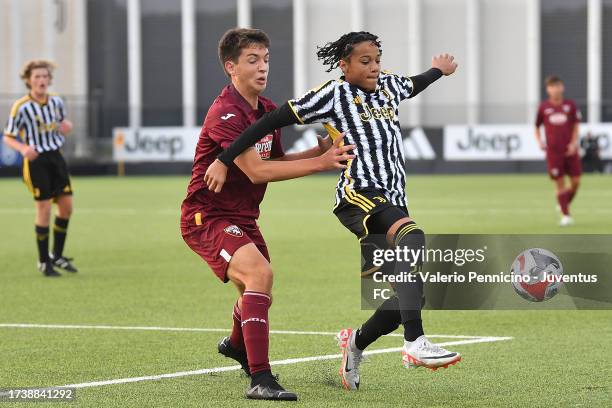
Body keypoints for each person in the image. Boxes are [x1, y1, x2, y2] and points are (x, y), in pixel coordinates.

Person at [204, 31, 461, 391]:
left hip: (393, 198)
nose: (373, 68)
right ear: (345, 65)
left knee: (407, 296)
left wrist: (437, 70)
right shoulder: (333, 94)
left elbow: (414, 84)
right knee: (412, 235)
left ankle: (354, 345)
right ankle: (414, 343)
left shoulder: (389, 86)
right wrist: (226, 157)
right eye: (364, 61)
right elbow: (271, 121)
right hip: (359, 195)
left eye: (376, 60)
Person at [180, 28, 353, 401]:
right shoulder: (225, 111)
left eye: (266, 60)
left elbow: (270, 162)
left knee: (258, 291)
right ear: (231, 67)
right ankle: (260, 378)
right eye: (252, 60)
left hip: (241, 217)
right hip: (206, 216)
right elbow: (256, 172)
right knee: (259, 274)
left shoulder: (267, 110)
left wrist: (314, 153)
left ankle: (234, 345)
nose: (262, 68)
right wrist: (321, 164)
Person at [3, 60, 77, 277]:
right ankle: (44, 261)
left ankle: (57, 255)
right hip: (36, 162)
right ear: (28, 80)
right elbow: (8, 136)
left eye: (45, 76)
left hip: (56, 158)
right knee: (44, 208)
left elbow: (63, 125)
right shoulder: (21, 106)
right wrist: (23, 148)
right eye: (37, 77)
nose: (42, 80)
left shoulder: (56, 102)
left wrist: (67, 127)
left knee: (66, 207)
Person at [535, 75, 582, 226]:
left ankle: (562, 203)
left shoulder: (570, 105)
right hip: (553, 152)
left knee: (576, 182)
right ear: (548, 89)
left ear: (562, 87)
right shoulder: (543, 107)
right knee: (559, 183)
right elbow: (536, 126)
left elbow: (575, 125)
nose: (555, 89)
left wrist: (574, 143)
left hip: (570, 150)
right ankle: (566, 215)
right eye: (552, 86)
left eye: (557, 85)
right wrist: (539, 141)